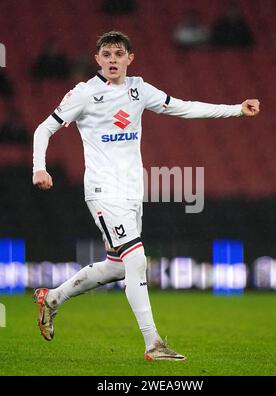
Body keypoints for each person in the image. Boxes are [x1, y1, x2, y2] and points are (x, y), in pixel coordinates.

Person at [32, 31, 260, 361]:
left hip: (131, 194)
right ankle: (153, 343)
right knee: (137, 259)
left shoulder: (139, 89)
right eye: (106, 54)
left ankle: (53, 298)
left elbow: (183, 108)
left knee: (118, 266)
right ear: (97, 59)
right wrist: (40, 167)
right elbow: (44, 128)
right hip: (102, 191)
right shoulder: (84, 94)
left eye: (118, 54)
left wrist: (236, 109)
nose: (112, 59)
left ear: (129, 59)